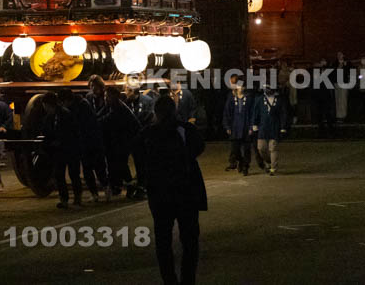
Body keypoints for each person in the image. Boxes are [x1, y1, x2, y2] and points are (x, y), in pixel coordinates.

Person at [137, 95, 207, 285]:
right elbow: (199, 148)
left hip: (160, 195)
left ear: (156, 113)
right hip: (186, 192)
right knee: (190, 242)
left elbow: (141, 158)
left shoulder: (148, 134)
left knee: (163, 242)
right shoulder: (185, 131)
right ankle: (187, 279)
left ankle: (169, 280)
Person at [59, 88, 108, 202]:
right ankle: (95, 193)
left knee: (98, 167)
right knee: (87, 170)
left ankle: (105, 188)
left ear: (67, 100)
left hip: (91, 141)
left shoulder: (82, 106)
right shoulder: (78, 105)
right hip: (84, 142)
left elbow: (86, 126)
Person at [99, 86, 140, 196]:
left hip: (126, 139)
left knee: (120, 163)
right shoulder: (112, 105)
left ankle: (129, 184)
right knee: (115, 163)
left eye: (107, 96)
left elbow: (106, 120)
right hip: (119, 140)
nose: (105, 98)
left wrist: (94, 123)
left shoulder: (118, 108)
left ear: (115, 96)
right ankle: (118, 185)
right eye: (105, 96)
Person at [252, 87, 287, 175]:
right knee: (261, 148)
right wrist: (254, 124)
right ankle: (269, 161)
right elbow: (255, 112)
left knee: (273, 148)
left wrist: (283, 127)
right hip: (263, 127)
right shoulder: (259, 99)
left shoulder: (279, 100)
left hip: (275, 127)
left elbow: (283, 114)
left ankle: (273, 168)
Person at [223, 80, 253, 175]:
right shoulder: (232, 99)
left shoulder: (248, 99)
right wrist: (227, 126)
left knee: (247, 149)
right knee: (235, 149)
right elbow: (227, 113)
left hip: (246, 126)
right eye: (240, 86)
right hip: (235, 127)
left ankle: (245, 166)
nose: (241, 88)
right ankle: (241, 161)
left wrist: (252, 126)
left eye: (243, 86)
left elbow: (252, 113)